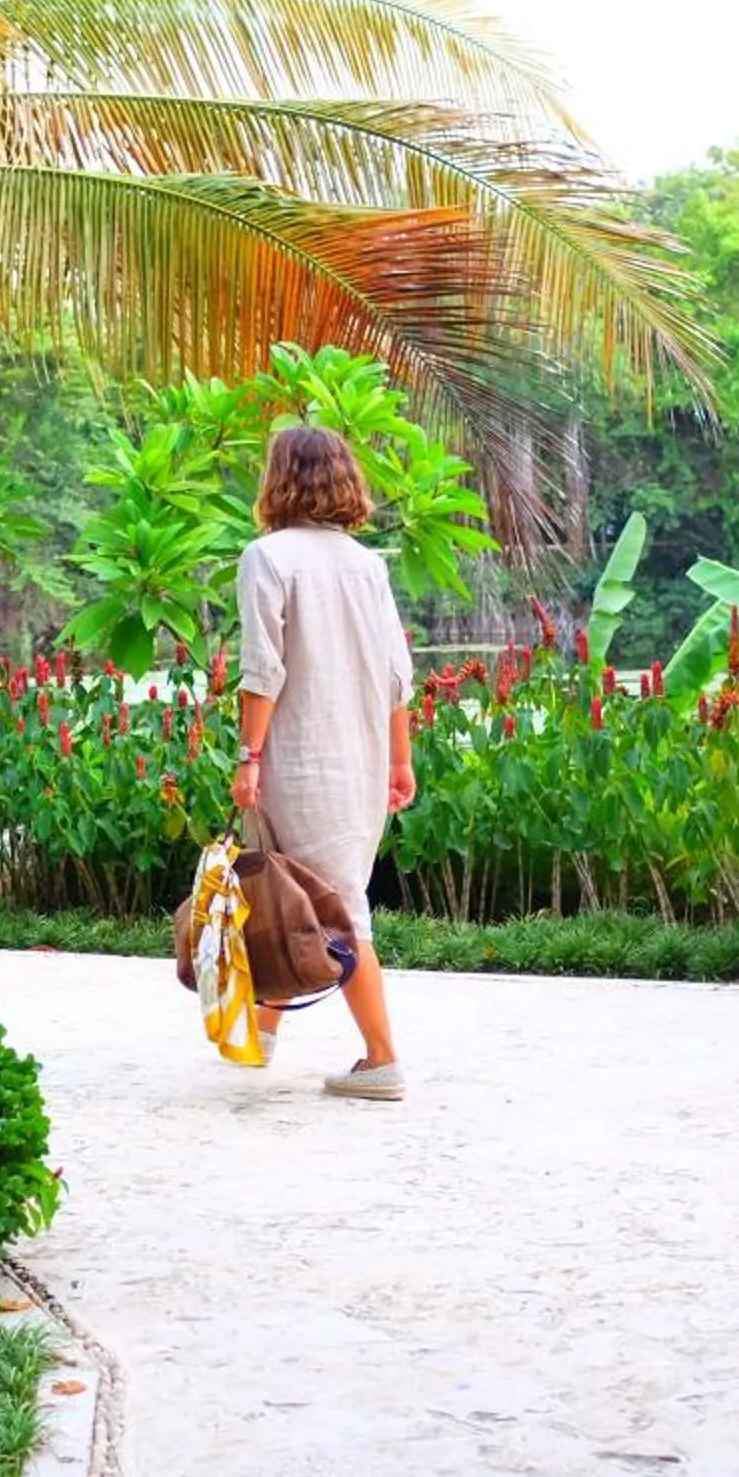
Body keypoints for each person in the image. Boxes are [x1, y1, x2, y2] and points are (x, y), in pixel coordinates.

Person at [228, 426, 417, 1102]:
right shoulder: (367, 565)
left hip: (299, 758)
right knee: (293, 895)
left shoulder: (266, 557)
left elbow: (262, 671)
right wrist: (400, 760)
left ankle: (383, 1057)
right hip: (359, 759)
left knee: (332, 908)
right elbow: (398, 674)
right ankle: (264, 1030)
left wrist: (248, 755)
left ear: (278, 478)